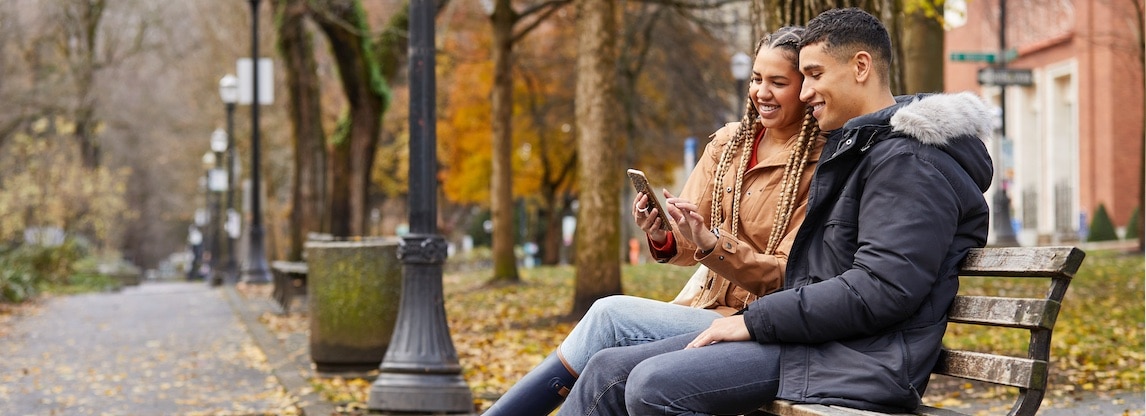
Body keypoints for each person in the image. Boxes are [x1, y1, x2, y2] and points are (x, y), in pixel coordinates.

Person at [556, 7, 996, 415]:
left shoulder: (910, 163)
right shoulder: (861, 149)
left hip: (857, 357)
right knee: (607, 371)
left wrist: (754, 321)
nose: (805, 93)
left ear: (861, 67)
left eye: (814, 75)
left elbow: (881, 290)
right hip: (812, 338)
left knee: (651, 384)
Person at [482, 27, 825, 416]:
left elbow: (787, 275)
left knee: (608, 319)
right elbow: (688, 238)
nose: (762, 92)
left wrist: (713, 246)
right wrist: (663, 234)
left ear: (806, 87)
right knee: (606, 337)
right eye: (756, 78)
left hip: (755, 323)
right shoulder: (730, 144)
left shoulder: (820, 164)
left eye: (778, 82)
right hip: (704, 307)